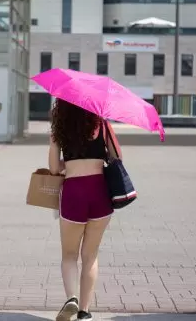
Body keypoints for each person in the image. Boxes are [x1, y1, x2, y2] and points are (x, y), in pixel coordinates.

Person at [48, 99, 121, 321]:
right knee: (90, 255)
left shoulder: (59, 128)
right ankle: (85, 311)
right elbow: (117, 157)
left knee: (69, 255)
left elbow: (53, 168)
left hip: (74, 192)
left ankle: (72, 299)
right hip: (100, 192)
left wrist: (67, 163)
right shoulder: (103, 124)